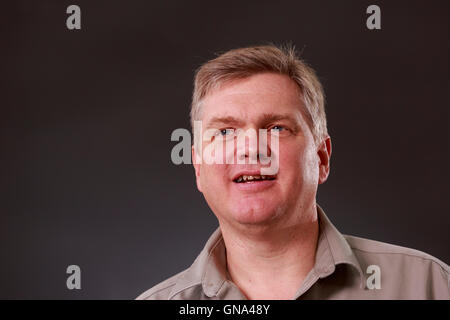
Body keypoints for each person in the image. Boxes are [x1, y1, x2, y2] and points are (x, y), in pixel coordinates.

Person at [137, 45, 449, 300]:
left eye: (276, 128)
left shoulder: (429, 286)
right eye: (225, 132)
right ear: (199, 168)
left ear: (322, 158)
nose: (251, 148)